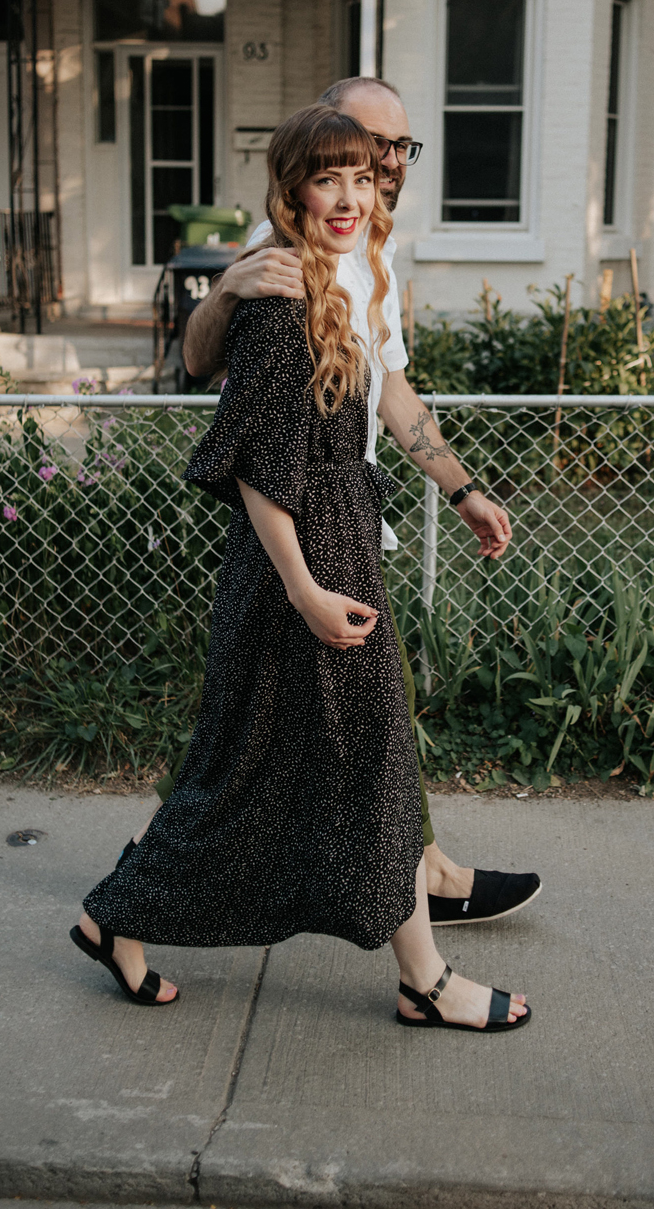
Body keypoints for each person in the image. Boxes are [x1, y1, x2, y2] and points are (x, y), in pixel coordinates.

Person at [70, 103, 531, 1033]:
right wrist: (306, 588)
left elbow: (393, 398)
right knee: (363, 767)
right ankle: (423, 980)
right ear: (292, 190)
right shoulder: (278, 293)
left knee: (259, 769)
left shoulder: (358, 274)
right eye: (335, 177)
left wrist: (463, 486)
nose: (359, 191)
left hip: (340, 537)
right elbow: (255, 461)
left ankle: (112, 914)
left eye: (371, 173)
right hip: (304, 561)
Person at [173, 75, 539, 929]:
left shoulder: (369, 255)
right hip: (303, 539)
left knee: (333, 737)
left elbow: (395, 395)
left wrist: (465, 488)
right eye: (370, 146)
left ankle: (413, 881)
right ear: (319, 152)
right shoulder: (283, 251)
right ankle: (415, 910)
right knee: (328, 742)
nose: (386, 164)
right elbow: (205, 374)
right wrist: (227, 289)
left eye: (397, 150)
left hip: (349, 521)